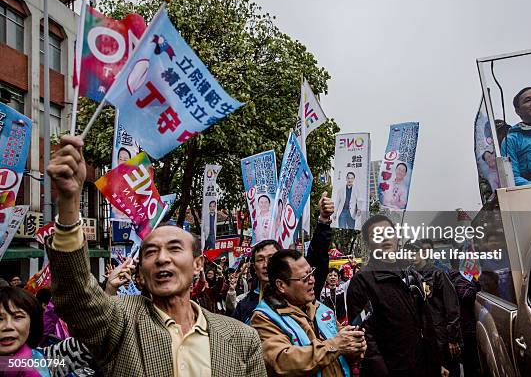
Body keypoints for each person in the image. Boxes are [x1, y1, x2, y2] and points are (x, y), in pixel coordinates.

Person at [45, 135, 266, 376]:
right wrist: (69, 201)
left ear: (197, 264)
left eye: (174, 248)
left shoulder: (242, 338)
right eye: (151, 252)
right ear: (140, 272)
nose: (162, 258)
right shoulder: (120, 320)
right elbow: (76, 296)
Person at [347, 215, 445, 377]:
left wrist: (437, 362)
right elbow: (365, 337)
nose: (384, 238)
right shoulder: (362, 281)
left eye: (388, 232)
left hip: (424, 366)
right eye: (376, 235)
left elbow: (426, 321)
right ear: (368, 243)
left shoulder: (411, 274)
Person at [251, 249, 366, 376]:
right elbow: (283, 362)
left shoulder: (321, 309)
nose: (312, 281)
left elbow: (341, 348)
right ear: (281, 285)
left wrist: (353, 346)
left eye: (311, 273)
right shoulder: (264, 318)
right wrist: (335, 346)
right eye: (305, 277)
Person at [231, 193, 335, 324]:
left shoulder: (299, 294)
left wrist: (324, 221)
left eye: (271, 258)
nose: (266, 265)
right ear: (254, 267)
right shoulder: (245, 307)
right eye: (260, 259)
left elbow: (318, 257)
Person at [0, 286, 97, 376]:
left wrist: (109, 290)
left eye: (18, 317)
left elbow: (94, 336)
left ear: (31, 325)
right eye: (0, 319)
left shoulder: (44, 361)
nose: (8, 326)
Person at [411, 240, 462, 377]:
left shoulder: (438, 273)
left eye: (414, 252)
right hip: (426, 339)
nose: (411, 256)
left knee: (451, 371)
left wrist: (453, 338)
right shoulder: (410, 276)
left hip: (443, 336)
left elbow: (452, 307)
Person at [447, 269, 482, 377]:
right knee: (472, 363)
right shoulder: (459, 278)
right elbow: (467, 295)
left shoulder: (459, 276)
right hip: (466, 328)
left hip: (465, 326)